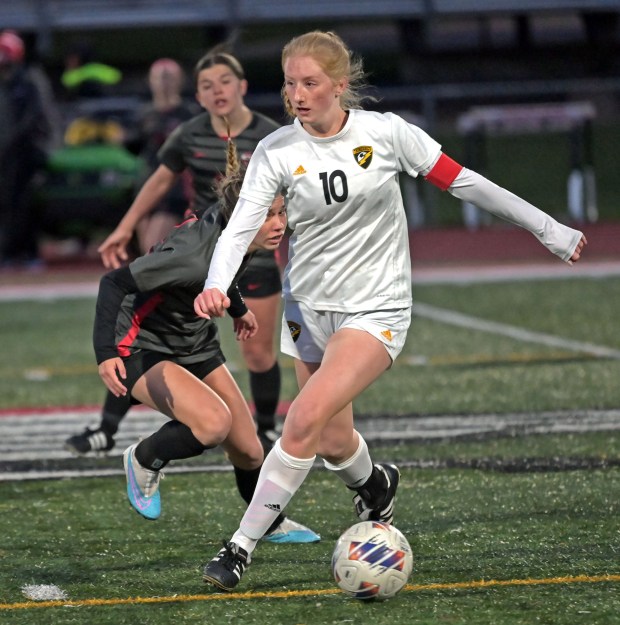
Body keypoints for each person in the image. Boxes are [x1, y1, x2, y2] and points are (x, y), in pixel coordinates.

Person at [194, 30, 588, 592]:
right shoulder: (278, 151)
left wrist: (548, 228)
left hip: (376, 309)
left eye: (310, 83)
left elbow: (465, 182)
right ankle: (375, 485)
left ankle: (239, 549)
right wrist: (216, 283)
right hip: (310, 308)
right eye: (289, 83)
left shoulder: (386, 134)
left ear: (339, 84)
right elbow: (239, 229)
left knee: (301, 419)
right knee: (332, 442)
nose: (297, 94)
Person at [93, 139, 319, 544]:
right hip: (143, 345)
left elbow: (222, 270)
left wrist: (238, 309)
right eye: (268, 215)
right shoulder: (194, 253)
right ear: (244, 215)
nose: (279, 224)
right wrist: (106, 353)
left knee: (250, 452)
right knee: (213, 424)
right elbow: (114, 283)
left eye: (281, 212)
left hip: (193, 342)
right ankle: (143, 458)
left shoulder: (239, 232)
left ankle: (267, 522)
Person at [65, 48, 285, 455]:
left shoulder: (274, 136)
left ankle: (265, 431)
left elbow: (293, 192)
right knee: (157, 328)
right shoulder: (189, 133)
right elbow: (159, 181)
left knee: (256, 352)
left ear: (243, 87)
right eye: (206, 84)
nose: (217, 90)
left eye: (224, 81)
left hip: (247, 254)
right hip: (200, 253)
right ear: (197, 96)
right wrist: (126, 226)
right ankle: (110, 429)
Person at [0, 30, 51, 269]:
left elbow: (34, 118)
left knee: (24, 205)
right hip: (4, 154)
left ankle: (27, 252)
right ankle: (7, 252)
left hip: (22, 154)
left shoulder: (27, 82)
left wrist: (12, 142)